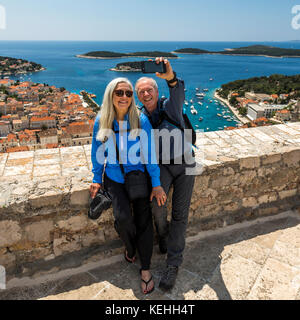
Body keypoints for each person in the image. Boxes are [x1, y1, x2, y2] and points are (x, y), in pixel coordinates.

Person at [90, 77, 167, 295]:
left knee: (144, 222)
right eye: (119, 92)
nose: (125, 97)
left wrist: (156, 183)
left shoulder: (140, 120)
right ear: (111, 95)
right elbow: (97, 153)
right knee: (123, 218)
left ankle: (145, 270)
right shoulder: (102, 121)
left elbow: (150, 154)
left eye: (128, 93)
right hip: (114, 178)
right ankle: (130, 247)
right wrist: (96, 178)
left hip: (139, 177)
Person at [135, 58, 196, 291]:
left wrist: (169, 75)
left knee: (180, 215)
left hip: (185, 163)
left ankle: (173, 263)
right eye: (141, 91)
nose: (146, 93)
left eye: (149, 89)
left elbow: (177, 89)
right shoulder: (140, 118)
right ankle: (163, 234)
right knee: (157, 208)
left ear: (156, 90)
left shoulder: (170, 106)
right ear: (138, 96)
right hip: (162, 166)